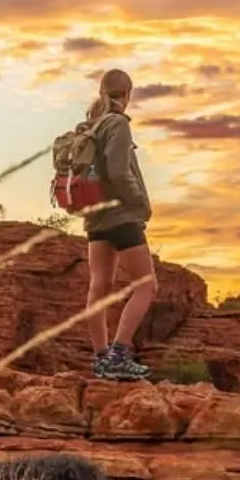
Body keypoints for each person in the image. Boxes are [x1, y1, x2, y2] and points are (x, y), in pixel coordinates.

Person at [80, 67, 158, 382]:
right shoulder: (117, 125)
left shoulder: (90, 125)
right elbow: (118, 172)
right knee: (147, 284)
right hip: (122, 215)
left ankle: (101, 357)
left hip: (95, 217)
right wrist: (140, 202)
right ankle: (119, 354)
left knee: (100, 285)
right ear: (127, 94)